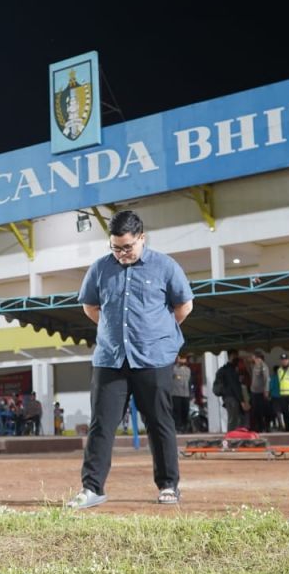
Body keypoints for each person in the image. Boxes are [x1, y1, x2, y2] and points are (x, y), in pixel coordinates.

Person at [67, 210, 194, 509]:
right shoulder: (99, 269)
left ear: (141, 239)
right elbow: (90, 306)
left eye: (128, 247)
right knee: (102, 424)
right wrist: (113, 332)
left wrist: (157, 334)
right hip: (111, 359)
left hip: (154, 358)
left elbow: (184, 306)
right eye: (116, 248)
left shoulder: (165, 266)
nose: (122, 254)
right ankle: (92, 488)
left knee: (159, 422)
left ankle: (168, 485)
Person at [215, 353, 248, 432]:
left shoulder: (225, 369)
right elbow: (235, 386)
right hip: (233, 398)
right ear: (231, 357)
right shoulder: (231, 370)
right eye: (236, 356)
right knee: (234, 420)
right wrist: (242, 400)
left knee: (234, 419)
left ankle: (233, 436)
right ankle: (231, 438)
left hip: (228, 398)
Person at [272, 353, 289, 432]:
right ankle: (288, 427)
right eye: (282, 360)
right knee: (285, 412)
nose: (284, 361)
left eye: (285, 360)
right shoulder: (279, 370)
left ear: (288, 360)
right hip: (283, 395)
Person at [247, 350, 272, 432]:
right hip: (254, 392)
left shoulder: (263, 366)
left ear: (257, 357)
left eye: (253, 357)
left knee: (263, 410)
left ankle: (266, 427)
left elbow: (266, 379)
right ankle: (259, 427)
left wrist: (266, 390)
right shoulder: (254, 365)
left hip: (261, 392)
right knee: (256, 411)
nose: (252, 358)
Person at [171, 354, 193, 433]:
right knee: (177, 412)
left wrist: (191, 394)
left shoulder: (188, 370)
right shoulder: (173, 369)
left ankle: (184, 427)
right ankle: (178, 427)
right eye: (181, 358)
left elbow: (190, 382)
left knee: (185, 411)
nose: (183, 360)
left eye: (184, 358)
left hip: (185, 394)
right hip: (176, 394)